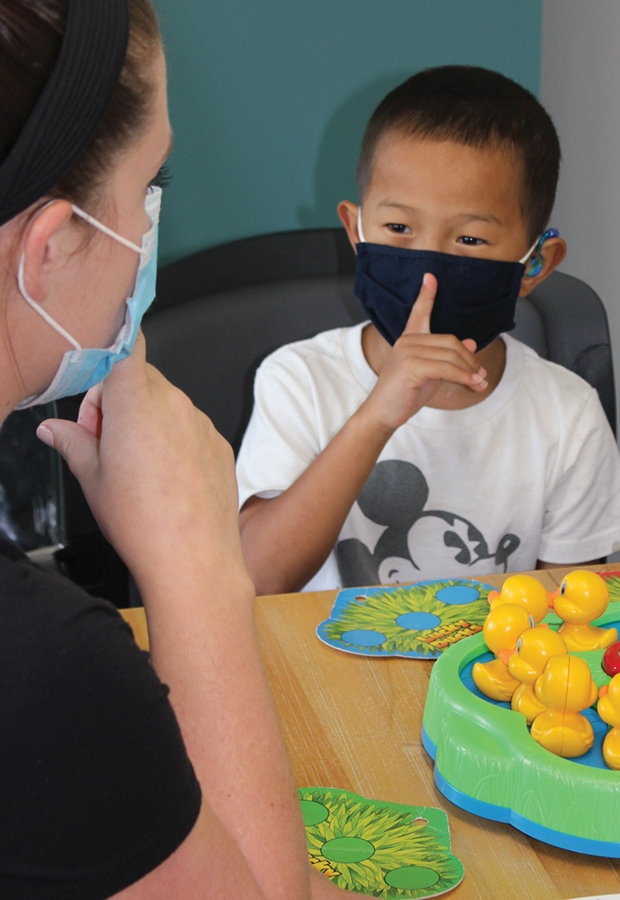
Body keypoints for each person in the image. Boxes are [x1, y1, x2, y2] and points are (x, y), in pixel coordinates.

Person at [0, 1, 359, 897]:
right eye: (151, 183)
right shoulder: (39, 674)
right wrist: (198, 572)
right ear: (48, 247)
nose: (150, 230)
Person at [237, 66, 620, 594]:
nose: (429, 269)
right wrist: (378, 415)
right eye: (399, 228)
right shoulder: (298, 381)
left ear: (535, 265)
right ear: (356, 234)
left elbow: (575, 617)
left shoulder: (568, 415)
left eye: (469, 240)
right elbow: (257, 577)